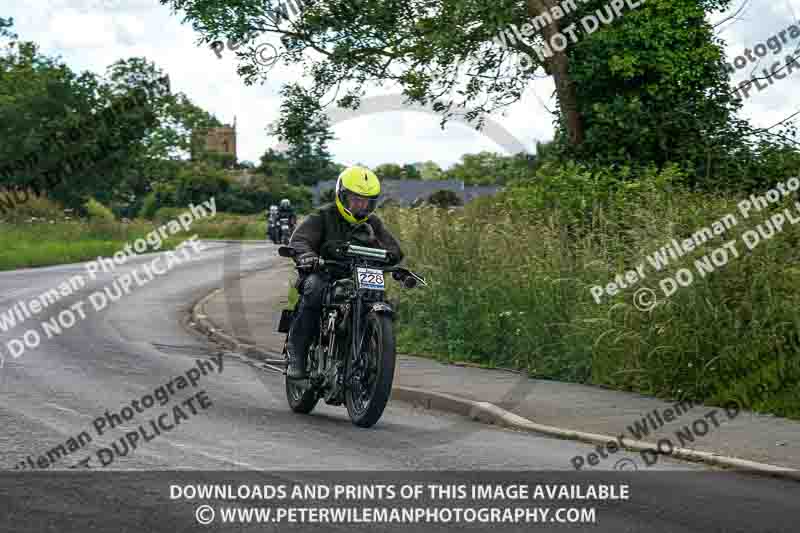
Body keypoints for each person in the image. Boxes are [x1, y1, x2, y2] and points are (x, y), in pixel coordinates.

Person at [285, 166, 404, 379]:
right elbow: (299, 240)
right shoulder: (323, 216)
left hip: (359, 275)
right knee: (314, 290)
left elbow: (394, 249)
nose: (361, 205)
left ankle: (367, 345)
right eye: (356, 199)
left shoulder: (373, 223)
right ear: (342, 195)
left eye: (366, 201)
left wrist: (391, 257)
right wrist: (307, 256)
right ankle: (298, 353)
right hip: (325, 273)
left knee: (378, 296)